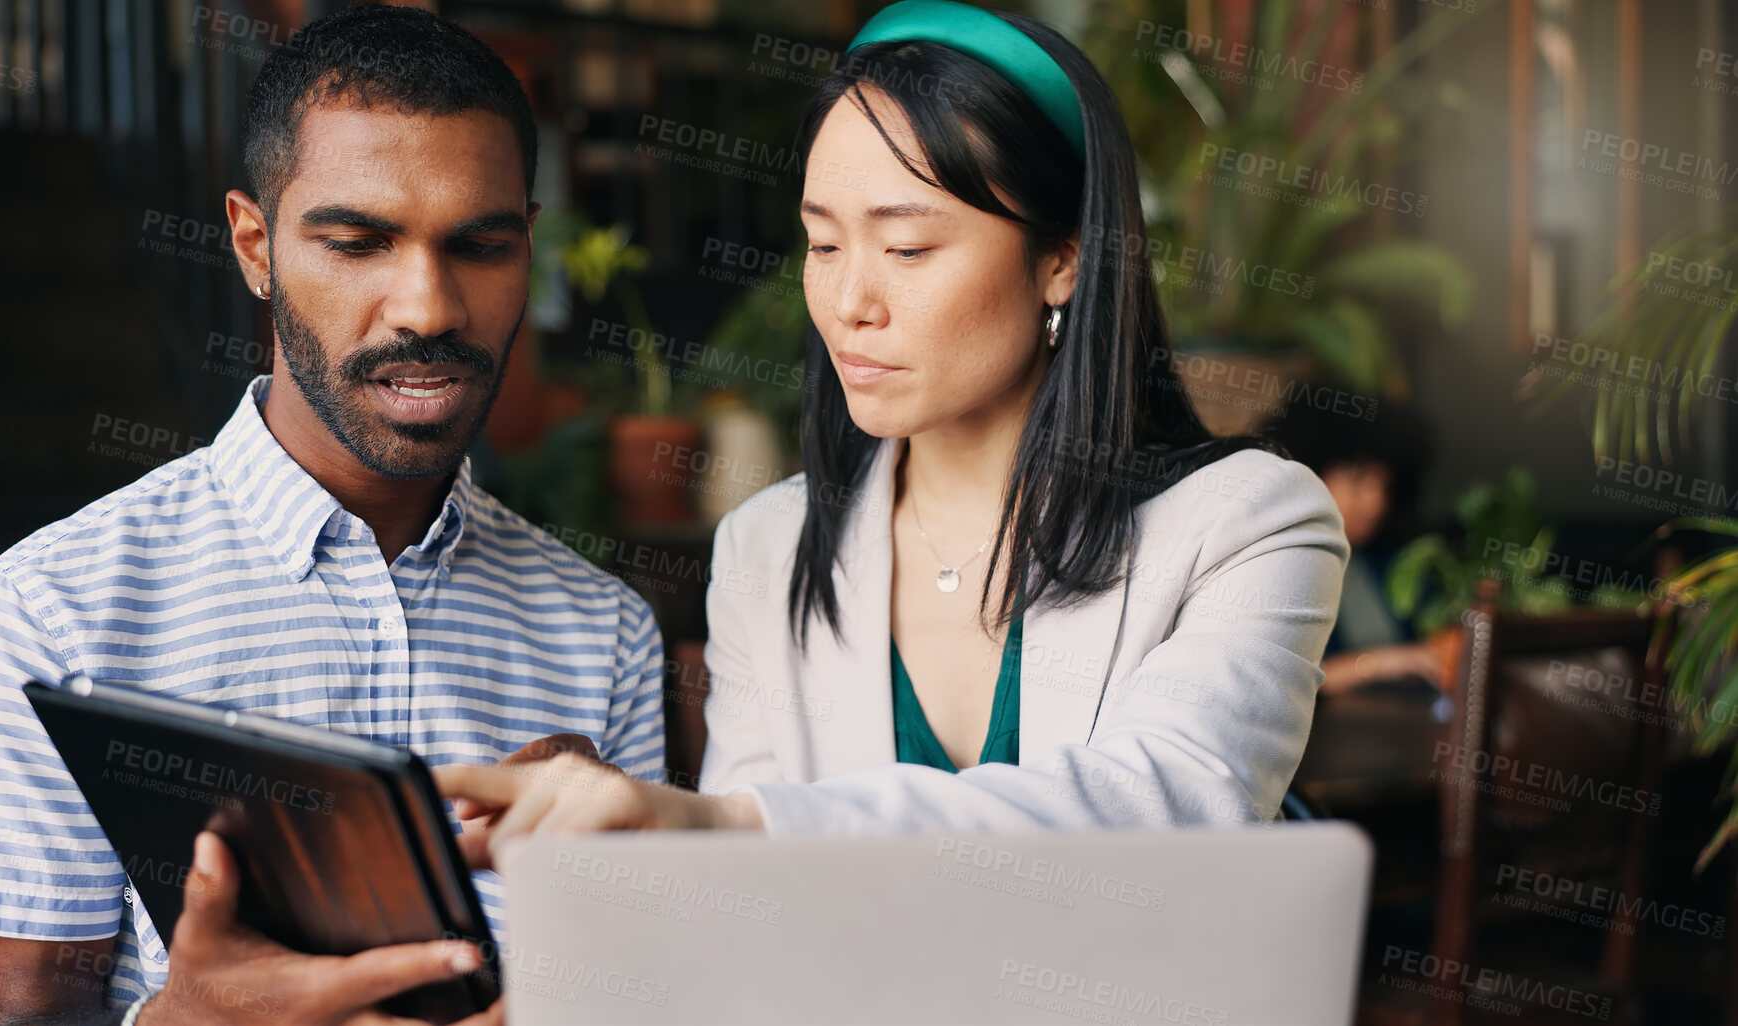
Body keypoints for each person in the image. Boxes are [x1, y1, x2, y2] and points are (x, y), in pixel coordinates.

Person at [0, 7, 664, 1024]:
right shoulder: (42, 618)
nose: (426, 306)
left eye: (480, 245)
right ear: (254, 246)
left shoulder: (603, 633)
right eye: (357, 242)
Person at [440, 0, 1347, 858]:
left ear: (1064, 258)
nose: (847, 303)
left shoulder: (1249, 524)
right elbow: (752, 926)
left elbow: (1169, 806)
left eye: (907, 248)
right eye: (824, 245)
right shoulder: (769, 545)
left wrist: (735, 830)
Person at [1262, 393, 1439, 695]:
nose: (1376, 502)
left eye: (1384, 485)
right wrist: (1380, 664)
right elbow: (1280, 681)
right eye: (1358, 480)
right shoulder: (1279, 568)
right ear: (1309, 472)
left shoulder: (1391, 560)